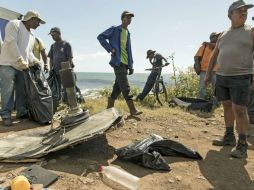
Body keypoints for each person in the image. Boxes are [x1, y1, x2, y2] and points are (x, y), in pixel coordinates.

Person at [205, 0, 254, 158]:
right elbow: (215, 54)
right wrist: (207, 74)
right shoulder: (223, 34)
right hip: (222, 76)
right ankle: (228, 137)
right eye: (240, 10)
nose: (244, 13)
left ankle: (242, 144)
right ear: (230, 14)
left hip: (241, 76)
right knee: (226, 105)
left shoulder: (251, 31)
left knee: (240, 109)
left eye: (246, 10)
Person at [0, 10, 45, 126]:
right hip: (8, 63)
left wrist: (35, 60)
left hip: (22, 67)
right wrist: (19, 59)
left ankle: (21, 112)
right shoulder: (14, 24)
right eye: (38, 21)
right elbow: (11, 42)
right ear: (31, 19)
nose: (39, 24)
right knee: (8, 91)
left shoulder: (32, 35)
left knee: (22, 91)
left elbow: (28, 52)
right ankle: (6, 115)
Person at [97, 11, 142, 116]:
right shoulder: (115, 29)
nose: (129, 19)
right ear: (122, 18)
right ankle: (132, 110)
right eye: (127, 17)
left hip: (126, 63)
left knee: (117, 87)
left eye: (131, 18)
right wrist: (110, 49)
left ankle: (109, 107)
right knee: (125, 86)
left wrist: (131, 65)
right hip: (118, 62)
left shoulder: (128, 33)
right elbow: (100, 37)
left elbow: (129, 50)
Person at [194, 32, 220, 104]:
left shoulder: (219, 46)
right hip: (204, 70)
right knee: (202, 88)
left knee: (216, 89)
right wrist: (197, 66)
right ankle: (199, 103)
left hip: (216, 71)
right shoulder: (204, 46)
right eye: (216, 36)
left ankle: (216, 104)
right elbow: (196, 57)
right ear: (211, 38)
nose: (218, 38)